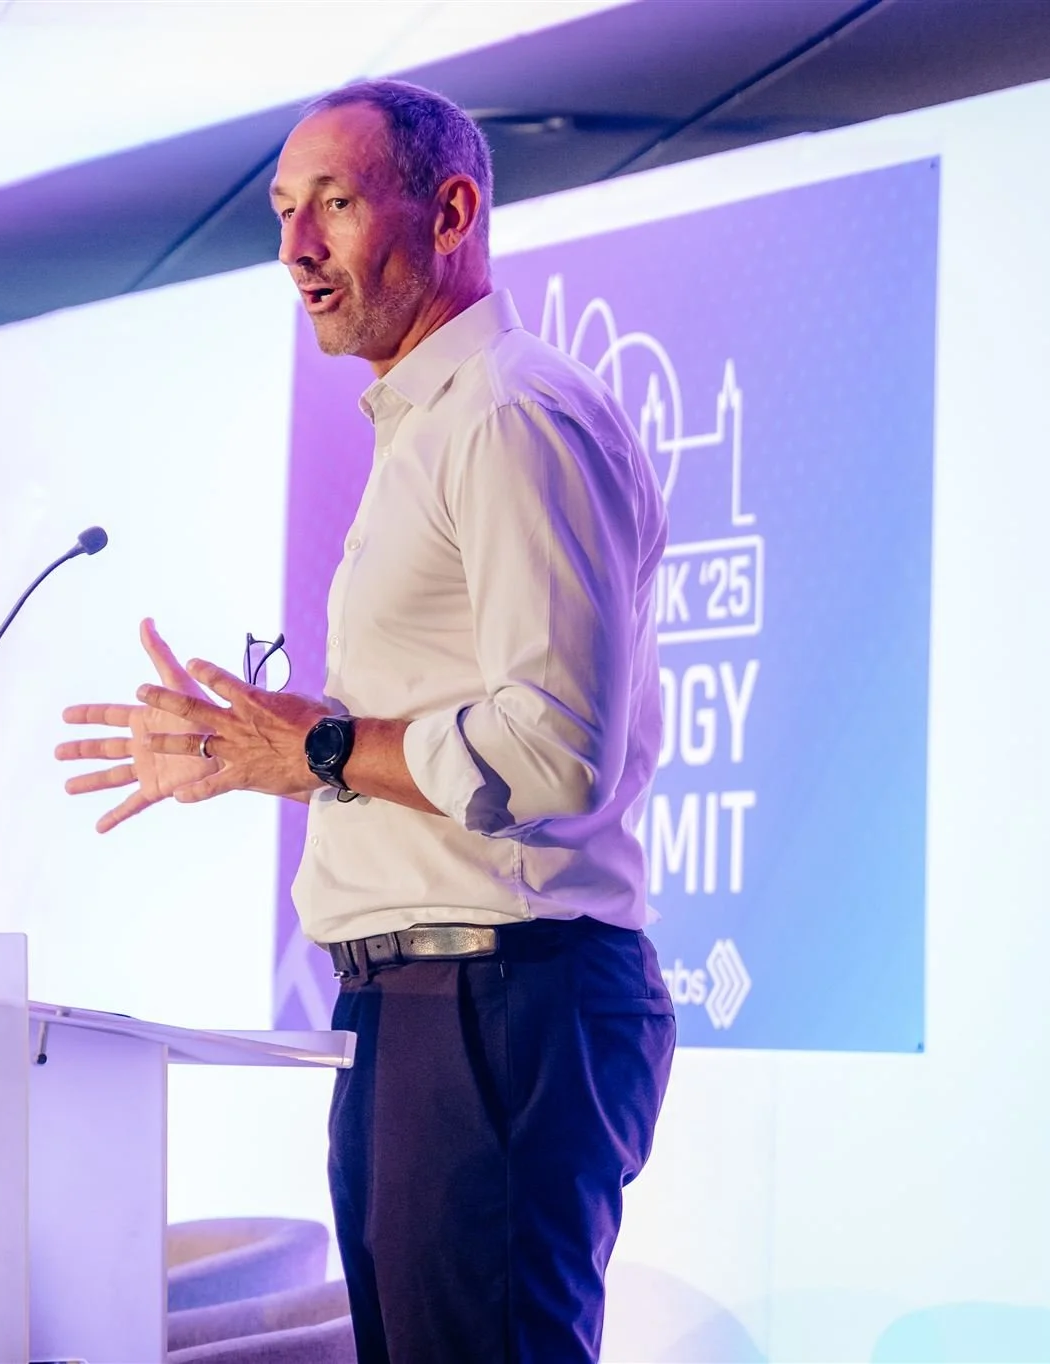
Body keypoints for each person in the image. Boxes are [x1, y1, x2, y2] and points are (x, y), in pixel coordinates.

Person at [57, 81, 673, 1363]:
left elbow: (553, 745)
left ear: (449, 210)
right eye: (283, 212)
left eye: (331, 205)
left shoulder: (507, 415)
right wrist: (266, 751)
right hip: (420, 999)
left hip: (499, 997)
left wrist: (321, 749)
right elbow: (448, 729)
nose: (293, 248)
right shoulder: (428, 424)